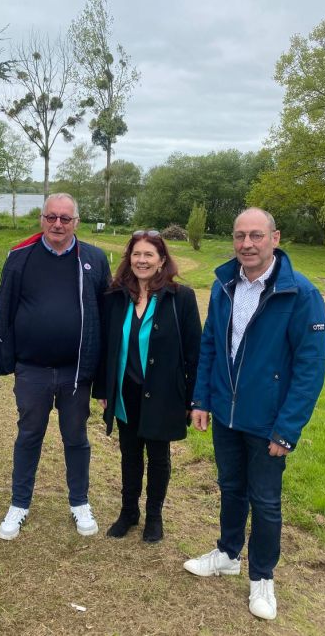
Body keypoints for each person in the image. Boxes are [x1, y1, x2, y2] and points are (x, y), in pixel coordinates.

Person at [183, 208, 325, 621]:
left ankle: (262, 577)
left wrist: (287, 429)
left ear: (275, 238)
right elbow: (211, 345)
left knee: (265, 503)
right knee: (230, 488)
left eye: (256, 236)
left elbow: (310, 369)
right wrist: (202, 400)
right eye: (239, 236)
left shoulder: (300, 294)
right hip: (226, 415)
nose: (247, 244)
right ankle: (229, 552)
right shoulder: (224, 284)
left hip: (269, 423)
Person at [0, 193, 110, 540]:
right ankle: (19, 503)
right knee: (29, 436)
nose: (58, 224)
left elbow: (104, 316)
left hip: (76, 372)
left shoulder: (93, 258)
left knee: (76, 438)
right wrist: (5, 361)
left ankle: (79, 502)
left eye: (65, 218)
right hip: (33, 370)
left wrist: (100, 374)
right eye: (51, 217)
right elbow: (5, 312)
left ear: (76, 222)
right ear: (42, 219)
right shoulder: (20, 257)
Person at [93, 230, 201, 543]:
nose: (141, 260)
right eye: (136, 254)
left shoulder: (180, 297)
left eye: (148, 255)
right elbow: (107, 346)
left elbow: (194, 352)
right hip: (126, 393)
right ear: (129, 259)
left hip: (164, 394)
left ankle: (154, 516)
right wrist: (104, 389)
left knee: (158, 457)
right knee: (129, 455)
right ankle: (129, 512)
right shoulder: (116, 297)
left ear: (161, 260)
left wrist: (193, 399)